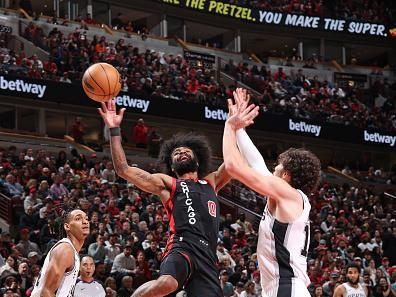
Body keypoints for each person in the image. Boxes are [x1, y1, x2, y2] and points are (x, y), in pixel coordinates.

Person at [98, 99, 231, 297]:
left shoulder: (211, 182)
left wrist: (234, 127)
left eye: (187, 151)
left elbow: (232, 163)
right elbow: (123, 169)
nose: (182, 152)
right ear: (171, 164)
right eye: (177, 153)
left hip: (208, 256)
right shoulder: (167, 184)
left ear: (197, 160)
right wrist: (114, 130)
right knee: (167, 283)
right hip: (182, 244)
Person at [222, 88, 321, 297]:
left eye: (277, 165)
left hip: (286, 287)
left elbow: (232, 167)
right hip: (285, 288)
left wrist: (229, 127)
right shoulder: (289, 197)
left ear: (285, 174)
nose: (272, 168)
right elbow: (256, 162)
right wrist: (239, 127)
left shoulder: (286, 192)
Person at [31, 209, 90, 297]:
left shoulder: (71, 250)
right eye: (78, 219)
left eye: (86, 218)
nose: (85, 222)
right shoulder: (65, 250)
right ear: (67, 226)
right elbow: (46, 292)